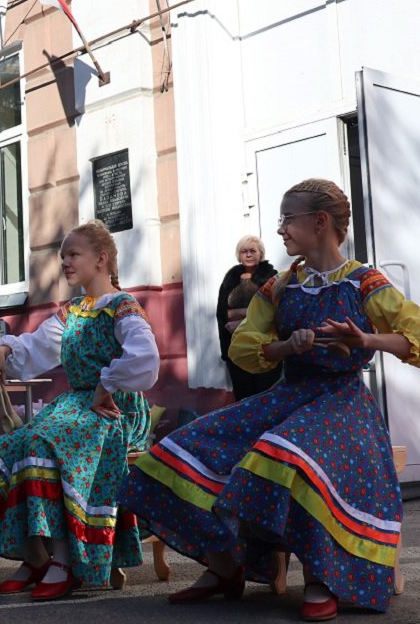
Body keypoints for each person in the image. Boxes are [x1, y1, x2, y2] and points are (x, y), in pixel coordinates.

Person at [121, 179, 420, 621]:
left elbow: (413, 335)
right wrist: (287, 348)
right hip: (287, 397)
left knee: (285, 454)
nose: (280, 229)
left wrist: (364, 338)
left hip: (342, 405)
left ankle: (319, 576)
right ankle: (226, 565)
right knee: (175, 451)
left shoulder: (364, 281)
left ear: (319, 223)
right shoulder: (282, 284)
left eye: (287, 219)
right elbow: (245, 345)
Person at [0, 220, 160, 601]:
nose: (65, 263)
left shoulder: (123, 307)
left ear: (102, 259)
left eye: (73, 254)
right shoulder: (73, 311)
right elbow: (37, 346)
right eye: (63, 257)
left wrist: (106, 383)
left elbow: (145, 360)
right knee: (4, 448)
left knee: (44, 445)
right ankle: (36, 557)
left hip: (114, 409)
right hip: (79, 406)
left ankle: (66, 561)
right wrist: (6, 348)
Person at [216, 236, 281, 400]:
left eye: (253, 251)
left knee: (265, 396)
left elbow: (275, 310)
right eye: (244, 251)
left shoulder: (271, 277)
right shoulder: (230, 278)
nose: (248, 255)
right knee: (243, 396)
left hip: (264, 345)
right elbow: (222, 312)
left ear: (261, 254)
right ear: (239, 255)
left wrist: (240, 316)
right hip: (237, 346)